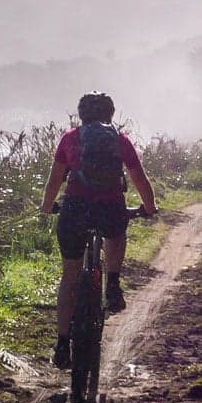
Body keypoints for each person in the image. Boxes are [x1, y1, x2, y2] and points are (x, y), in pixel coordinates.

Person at [39, 91, 158, 370]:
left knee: (70, 277)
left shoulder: (70, 139)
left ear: (81, 115)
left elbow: (54, 180)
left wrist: (46, 208)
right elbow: (139, 178)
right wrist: (149, 208)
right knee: (116, 232)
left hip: (74, 210)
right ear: (110, 114)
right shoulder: (120, 140)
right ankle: (113, 283)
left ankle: (61, 342)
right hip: (110, 209)